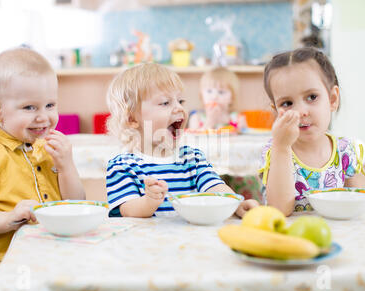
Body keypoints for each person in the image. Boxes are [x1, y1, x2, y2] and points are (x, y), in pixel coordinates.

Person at [0, 47, 86, 291]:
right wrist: (9, 218)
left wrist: (67, 166)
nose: (43, 117)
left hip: (52, 255)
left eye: (50, 105)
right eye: (29, 107)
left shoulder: (50, 151)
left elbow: (75, 203)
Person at [105, 62, 259, 218]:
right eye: (165, 103)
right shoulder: (122, 166)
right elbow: (127, 210)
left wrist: (236, 204)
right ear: (132, 119)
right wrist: (149, 201)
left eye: (181, 101)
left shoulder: (193, 159)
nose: (179, 108)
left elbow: (215, 186)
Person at [259, 47, 365, 216]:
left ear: (332, 99)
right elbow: (278, 211)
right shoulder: (275, 152)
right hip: (290, 239)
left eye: (311, 97)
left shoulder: (345, 150)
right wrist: (282, 147)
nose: (302, 111)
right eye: (287, 103)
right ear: (276, 112)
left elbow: (358, 198)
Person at [188, 67, 246, 131]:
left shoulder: (238, 119)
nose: (214, 97)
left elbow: (245, 137)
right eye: (209, 91)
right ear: (201, 96)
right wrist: (210, 122)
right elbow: (194, 138)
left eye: (221, 92)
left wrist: (240, 128)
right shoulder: (196, 118)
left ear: (232, 98)